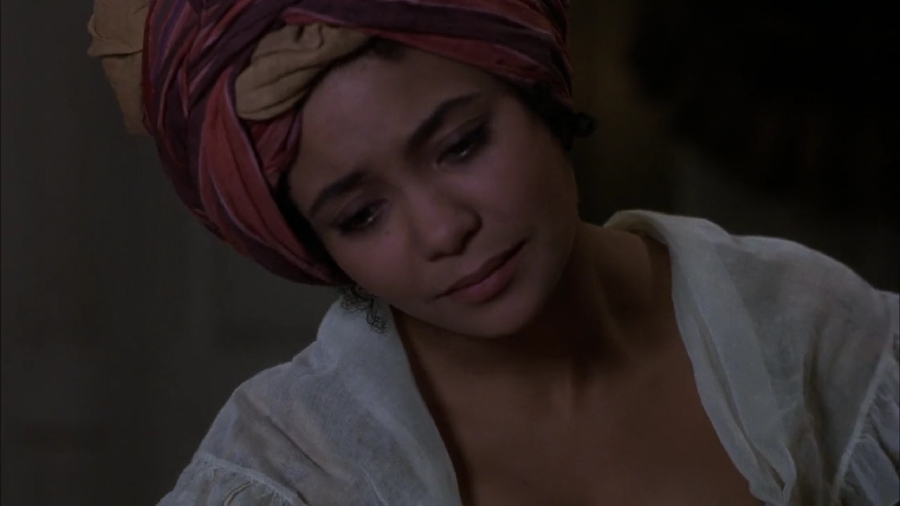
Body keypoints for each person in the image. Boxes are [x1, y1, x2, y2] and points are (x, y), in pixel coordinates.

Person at [88, 0, 899, 504]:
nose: (444, 230)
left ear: (537, 90)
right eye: (362, 214)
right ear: (314, 247)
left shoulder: (814, 333)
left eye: (462, 145)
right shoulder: (289, 472)